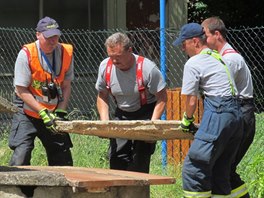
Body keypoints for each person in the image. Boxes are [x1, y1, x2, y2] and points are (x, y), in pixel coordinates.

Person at [172, 23, 243, 197]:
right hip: (237, 116)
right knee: (220, 170)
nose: (182, 48)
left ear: (195, 41)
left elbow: (191, 100)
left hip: (219, 111)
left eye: (184, 44)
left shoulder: (194, 62)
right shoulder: (219, 57)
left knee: (195, 167)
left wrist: (187, 121)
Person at [95, 32, 167, 173]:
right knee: (117, 158)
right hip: (122, 114)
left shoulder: (148, 69)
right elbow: (102, 95)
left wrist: (153, 125)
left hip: (145, 113)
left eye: (118, 57)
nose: (114, 61)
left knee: (140, 161)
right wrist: (104, 123)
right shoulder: (105, 67)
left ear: (130, 50)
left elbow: (162, 97)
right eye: (111, 57)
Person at [9, 16, 74, 167]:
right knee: (21, 155)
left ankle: (62, 190)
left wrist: (61, 111)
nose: (53, 41)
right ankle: (15, 190)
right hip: (28, 111)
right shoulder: (26, 54)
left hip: (53, 113)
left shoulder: (66, 52)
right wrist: (42, 112)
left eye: (56, 37)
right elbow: (20, 90)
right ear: (38, 35)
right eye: (49, 37)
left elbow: (66, 85)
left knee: (62, 156)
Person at [202, 16, 256, 198]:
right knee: (225, 168)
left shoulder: (229, 60)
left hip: (240, 114)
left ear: (217, 34)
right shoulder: (225, 57)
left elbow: (221, 94)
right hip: (238, 113)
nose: (203, 41)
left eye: (205, 35)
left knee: (221, 168)